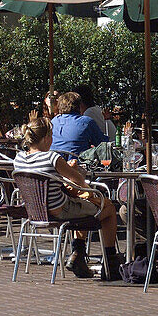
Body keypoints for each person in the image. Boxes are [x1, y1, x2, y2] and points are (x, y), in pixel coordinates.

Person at [14, 115, 123, 280]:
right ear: (45, 138)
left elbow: (49, 181)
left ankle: (78, 253)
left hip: (36, 211)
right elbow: (78, 180)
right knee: (107, 207)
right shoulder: (52, 157)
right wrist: (76, 171)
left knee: (84, 205)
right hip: (60, 210)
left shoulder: (18, 159)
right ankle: (110, 263)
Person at [50, 92, 104, 157]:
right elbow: (102, 144)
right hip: (76, 164)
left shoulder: (53, 121)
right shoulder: (86, 122)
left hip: (55, 163)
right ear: (80, 105)